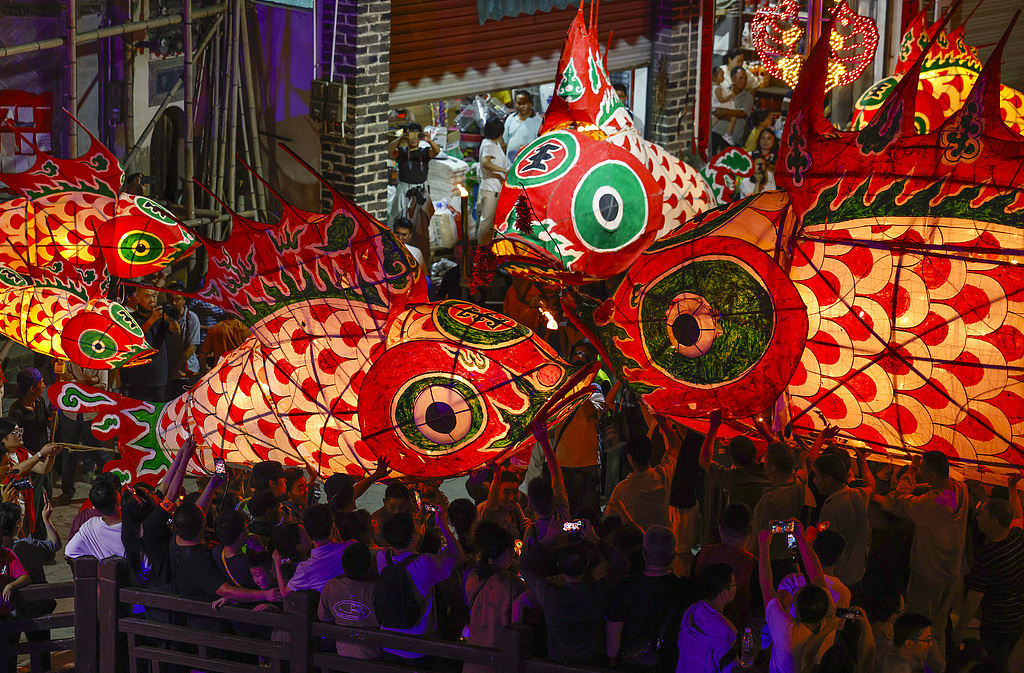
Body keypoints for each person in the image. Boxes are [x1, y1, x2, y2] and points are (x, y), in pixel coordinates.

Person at [882, 450, 969, 673]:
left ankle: (932, 667)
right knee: (939, 625)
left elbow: (901, 498)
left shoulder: (930, 504)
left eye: (923, 471)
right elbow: (936, 493)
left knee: (921, 627)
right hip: (951, 573)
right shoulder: (961, 489)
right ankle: (942, 666)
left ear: (930, 474)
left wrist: (911, 469)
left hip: (928, 574)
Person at [518, 521, 629, 665]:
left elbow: (524, 566)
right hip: (592, 665)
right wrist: (596, 540)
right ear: (586, 565)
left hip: (557, 665)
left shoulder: (549, 593)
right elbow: (623, 565)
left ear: (559, 565)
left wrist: (547, 539)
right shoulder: (598, 591)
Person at [374, 507, 465, 663]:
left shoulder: (382, 557)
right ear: (414, 537)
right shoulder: (425, 563)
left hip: (388, 645)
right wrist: (443, 524)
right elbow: (459, 558)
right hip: (418, 649)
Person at [955, 485, 1024, 672]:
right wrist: (1012, 489)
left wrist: (960, 629)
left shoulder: (987, 557)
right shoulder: (1017, 537)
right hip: (1017, 620)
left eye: (982, 515)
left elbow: (973, 600)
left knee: (995, 664)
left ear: (994, 521)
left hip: (996, 625)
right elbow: (1018, 514)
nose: (977, 518)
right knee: (1003, 660)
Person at [608, 526, 696, 671]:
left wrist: (612, 661)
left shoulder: (625, 587)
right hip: (671, 663)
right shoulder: (686, 589)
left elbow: (614, 629)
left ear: (643, 553)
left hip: (633, 664)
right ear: (674, 555)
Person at [759, 522, 839, 673]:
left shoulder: (787, 631)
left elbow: (767, 586)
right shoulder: (830, 618)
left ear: (796, 609)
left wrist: (764, 544)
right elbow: (817, 576)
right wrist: (800, 538)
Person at [548, 339, 606, 513]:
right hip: (563, 462)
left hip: (587, 463)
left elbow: (592, 413)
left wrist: (581, 386)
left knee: (588, 511)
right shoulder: (561, 390)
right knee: (566, 511)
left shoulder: (594, 389)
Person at [463, 522, 526, 673]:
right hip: (499, 656)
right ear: (507, 552)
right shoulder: (509, 581)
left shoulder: (472, 575)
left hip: (475, 654)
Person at [8, 369, 61, 537]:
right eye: (41, 382)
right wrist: (38, 455)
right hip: (31, 463)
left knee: (47, 501)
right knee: (34, 504)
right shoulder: (16, 411)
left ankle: (45, 539)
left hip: (43, 460)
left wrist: (54, 414)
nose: (44, 385)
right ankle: (36, 540)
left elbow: (49, 422)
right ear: (32, 388)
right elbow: (17, 445)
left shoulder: (38, 402)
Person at [605, 416, 680, 531]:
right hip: (663, 540)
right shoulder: (663, 475)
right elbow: (676, 444)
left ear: (630, 458)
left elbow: (609, 515)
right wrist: (661, 421)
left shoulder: (621, 490)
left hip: (637, 544)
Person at [813, 448, 874, 587]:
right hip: (858, 573)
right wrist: (862, 461)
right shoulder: (859, 494)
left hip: (838, 578)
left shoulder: (830, 509)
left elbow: (824, 549)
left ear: (829, 480)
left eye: (817, 475)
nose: (814, 480)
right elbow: (871, 486)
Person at [693, 503, 759, 629]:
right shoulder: (753, 565)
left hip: (700, 628)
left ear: (720, 529)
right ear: (751, 531)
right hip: (737, 634)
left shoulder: (702, 555)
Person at [54, 362, 108, 505]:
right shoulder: (67, 360)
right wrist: (89, 382)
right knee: (68, 453)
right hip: (70, 413)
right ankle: (67, 491)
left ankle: (112, 489)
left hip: (91, 414)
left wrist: (76, 383)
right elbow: (63, 383)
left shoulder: (99, 360)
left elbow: (103, 386)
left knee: (100, 452)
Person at [1, 417, 61, 539]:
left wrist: (51, 456)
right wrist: (40, 453)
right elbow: (16, 470)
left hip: (25, 505)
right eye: (15, 433)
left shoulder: (22, 453)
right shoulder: (2, 457)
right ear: (2, 439)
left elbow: (43, 469)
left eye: (20, 431)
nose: (19, 435)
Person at [318, 542, 381, 660]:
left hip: (342, 652)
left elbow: (323, 616)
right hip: (373, 655)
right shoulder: (376, 590)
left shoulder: (331, 586)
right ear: (369, 567)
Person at [675, 562, 739, 673]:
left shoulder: (692, 611)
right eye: (734, 584)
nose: (737, 587)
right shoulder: (723, 629)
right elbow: (732, 669)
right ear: (724, 593)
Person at [699, 415, 769, 513]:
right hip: (765, 524)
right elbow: (779, 451)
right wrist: (765, 434)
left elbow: (704, 460)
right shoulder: (768, 471)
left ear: (733, 460)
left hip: (740, 525)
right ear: (755, 451)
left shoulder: (732, 478)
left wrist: (713, 427)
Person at [749, 443, 806, 556]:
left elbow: (760, 537)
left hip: (771, 558)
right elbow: (791, 525)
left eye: (765, 460)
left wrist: (747, 560)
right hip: (788, 551)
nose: (762, 463)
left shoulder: (771, 500)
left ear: (773, 468)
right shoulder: (798, 485)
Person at [278, 504, 348, 595]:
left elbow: (284, 592)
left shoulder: (306, 568)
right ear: (333, 526)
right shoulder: (350, 547)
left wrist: (277, 561)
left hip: (330, 607)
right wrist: (340, 541)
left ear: (307, 533)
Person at [120, 288, 172, 402]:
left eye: (154, 296)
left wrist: (172, 320)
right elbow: (133, 339)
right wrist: (151, 320)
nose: (152, 300)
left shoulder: (161, 317)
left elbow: (177, 331)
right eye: (147, 297)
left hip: (159, 377)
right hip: (138, 378)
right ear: (137, 299)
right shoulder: (130, 318)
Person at [387, 122, 440, 225]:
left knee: (422, 221)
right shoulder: (401, 152)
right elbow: (390, 151)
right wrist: (401, 139)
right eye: (411, 135)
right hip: (404, 191)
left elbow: (436, 151)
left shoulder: (424, 152)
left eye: (416, 135)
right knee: (399, 218)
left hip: (421, 190)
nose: (414, 138)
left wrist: (429, 140)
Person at [65, 479, 125, 559]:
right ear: (117, 497)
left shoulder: (90, 526)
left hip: (105, 571)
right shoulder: (133, 525)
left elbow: (69, 552)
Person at [164, 281, 202, 399]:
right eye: (170, 299)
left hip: (186, 373)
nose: (173, 303)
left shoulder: (192, 318)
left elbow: (192, 347)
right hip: (169, 371)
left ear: (184, 300)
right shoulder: (164, 316)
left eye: (178, 299)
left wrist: (175, 368)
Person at [477, 118, 508, 246]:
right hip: (490, 189)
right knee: (487, 222)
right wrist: (503, 171)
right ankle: (482, 252)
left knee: (492, 223)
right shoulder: (489, 144)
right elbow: (485, 163)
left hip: (495, 188)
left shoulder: (493, 144)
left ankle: (488, 249)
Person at [477, 466, 528, 540]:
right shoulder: (487, 510)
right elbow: (491, 507)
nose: (511, 498)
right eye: (506, 493)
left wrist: (528, 527)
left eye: (515, 492)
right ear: (496, 492)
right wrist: (497, 474)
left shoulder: (515, 512)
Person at [711, 68, 753, 151]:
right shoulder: (725, 90)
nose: (743, 81)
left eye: (745, 78)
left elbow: (743, 112)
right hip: (717, 130)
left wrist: (725, 112)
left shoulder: (747, 96)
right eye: (741, 78)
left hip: (733, 135)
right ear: (733, 78)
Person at [503, 90, 543, 163]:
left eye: (524, 103)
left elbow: (540, 145)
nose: (521, 106)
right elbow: (504, 142)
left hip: (529, 162)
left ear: (531, 103)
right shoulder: (510, 119)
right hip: (510, 163)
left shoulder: (538, 121)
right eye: (519, 103)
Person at [371, 483, 412, 547]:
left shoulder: (409, 512)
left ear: (408, 503)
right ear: (385, 502)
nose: (396, 512)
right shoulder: (377, 522)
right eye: (392, 507)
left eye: (401, 507)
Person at [712, 66, 740, 145]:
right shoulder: (718, 88)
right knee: (732, 118)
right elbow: (721, 99)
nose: (723, 77)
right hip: (719, 107)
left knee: (714, 120)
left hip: (716, 107)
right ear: (714, 77)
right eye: (721, 75)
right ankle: (728, 135)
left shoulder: (718, 87)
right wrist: (729, 96)